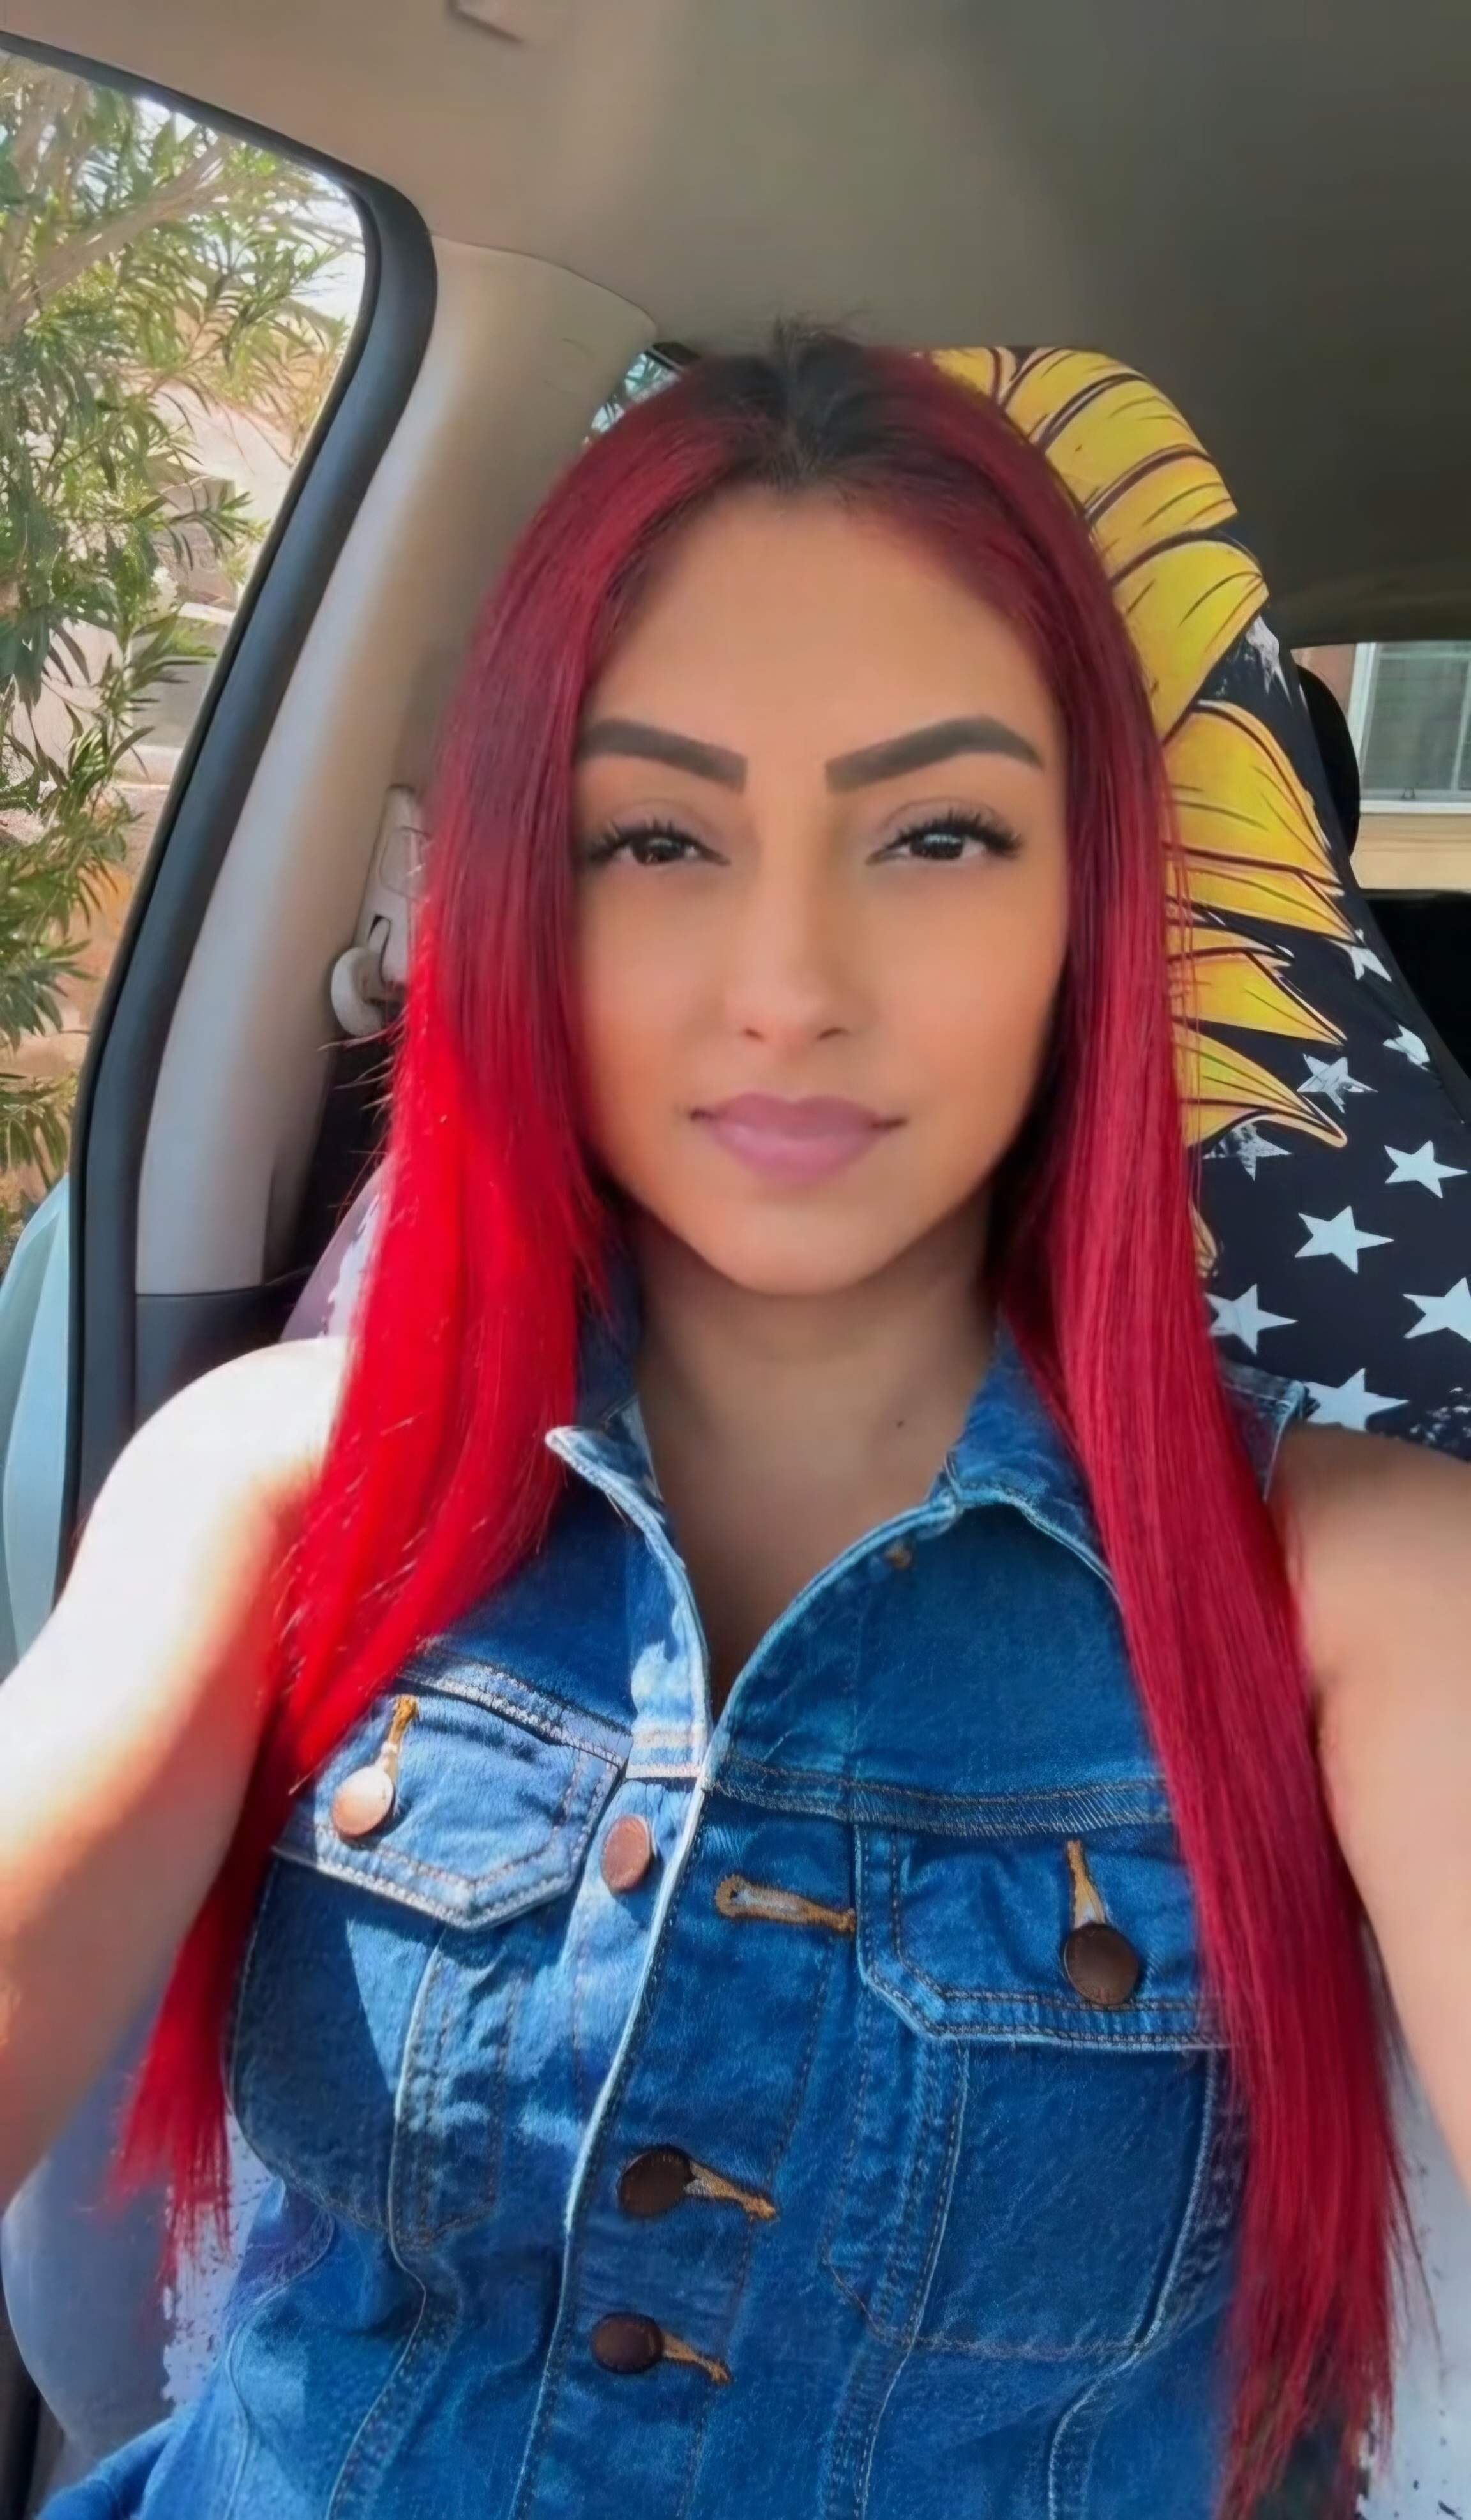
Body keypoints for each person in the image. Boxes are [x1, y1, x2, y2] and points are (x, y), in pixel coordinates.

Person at [1, 329, 1467, 2520]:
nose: (789, 984)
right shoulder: (284, 1479)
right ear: (527, 891)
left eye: (941, 832)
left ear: (1092, 912)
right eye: (660, 836)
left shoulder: (1360, 1584)